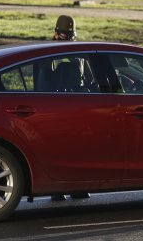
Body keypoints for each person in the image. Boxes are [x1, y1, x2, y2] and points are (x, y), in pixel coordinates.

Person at [50, 14, 90, 201]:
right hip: (57, 106)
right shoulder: (49, 53)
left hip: (75, 105)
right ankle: (58, 188)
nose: (67, 39)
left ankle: (75, 187)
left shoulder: (79, 54)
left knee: (77, 148)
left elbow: (88, 79)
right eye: (66, 35)